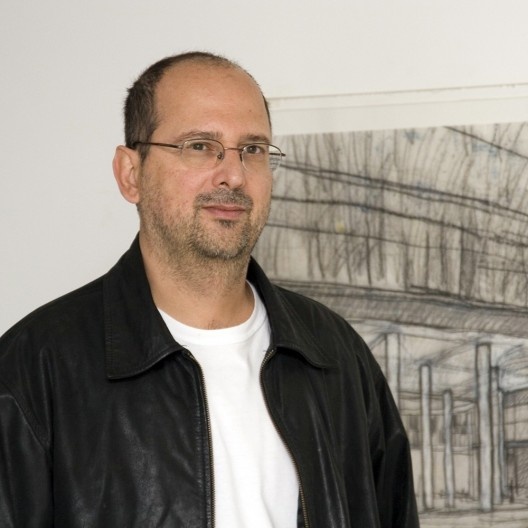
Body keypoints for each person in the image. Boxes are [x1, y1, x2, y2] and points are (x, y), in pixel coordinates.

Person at [0, 51, 419, 527]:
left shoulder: (337, 355)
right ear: (131, 174)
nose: (234, 175)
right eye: (200, 146)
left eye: (253, 149)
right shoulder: (33, 370)